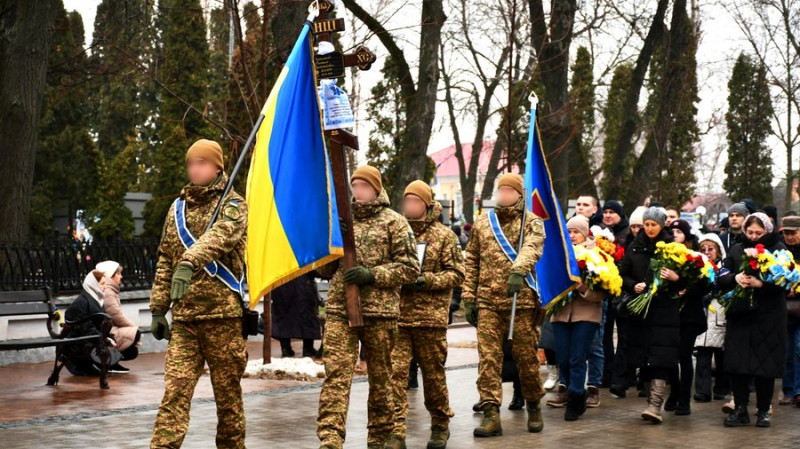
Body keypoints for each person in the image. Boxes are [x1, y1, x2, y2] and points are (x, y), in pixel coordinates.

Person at [149, 138, 249, 448]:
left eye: (202, 163)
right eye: (191, 163)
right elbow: (166, 257)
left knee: (228, 398)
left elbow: (222, 237)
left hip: (223, 317)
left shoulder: (233, 204)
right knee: (174, 393)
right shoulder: (177, 208)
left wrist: (190, 260)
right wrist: (157, 307)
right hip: (186, 319)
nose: (195, 168)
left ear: (218, 166)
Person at [316, 165, 419, 449]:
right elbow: (324, 272)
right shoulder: (339, 221)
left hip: (380, 311)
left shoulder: (394, 222)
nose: (357, 191)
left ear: (376, 188)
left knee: (382, 378)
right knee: (336, 375)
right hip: (340, 309)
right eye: (354, 185)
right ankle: (330, 439)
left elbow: (410, 268)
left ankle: (379, 436)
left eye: (363, 185)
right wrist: (333, 243)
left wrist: (372, 275)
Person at [463, 173, 546, 437]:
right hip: (488, 302)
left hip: (520, 303)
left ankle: (533, 405)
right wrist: (468, 297)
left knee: (525, 359)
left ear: (519, 195)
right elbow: (472, 260)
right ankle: (490, 414)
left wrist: (519, 270)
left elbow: (533, 247)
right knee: (488, 359)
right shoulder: (483, 223)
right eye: (501, 191)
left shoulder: (531, 222)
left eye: (509, 192)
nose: (504, 196)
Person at [386, 181, 464, 449]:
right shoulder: (397, 231)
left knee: (433, 375)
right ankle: (396, 430)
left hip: (430, 319)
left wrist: (427, 280)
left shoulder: (444, 236)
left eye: (415, 201)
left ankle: (440, 424)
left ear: (426, 205)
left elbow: (457, 273)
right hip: (398, 316)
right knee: (394, 375)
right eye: (406, 201)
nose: (409, 206)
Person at [718, 213, 787, 428]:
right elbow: (721, 273)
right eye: (750, 232)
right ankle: (740, 409)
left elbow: (786, 280)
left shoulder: (778, 251)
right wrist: (734, 278)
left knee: (764, 366)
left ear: (768, 231)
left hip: (768, 316)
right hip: (740, 315)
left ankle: (764, 410)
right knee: (738, 364)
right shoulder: (737, 249)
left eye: (759, 232)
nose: (754, 236)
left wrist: (762, 285)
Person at [620, 207, 683, 424]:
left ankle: (655, 405)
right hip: (640, 312)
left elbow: (686, 278)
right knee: (643, 358)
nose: (648, 229)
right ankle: (650, 402)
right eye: (646, 224)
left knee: (661, 359)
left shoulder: (673, 248)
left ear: (662, 225)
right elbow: (622, 273)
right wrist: (632, 285)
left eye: (653, 225)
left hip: (665, 312)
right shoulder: (634, 247)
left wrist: (676, 278)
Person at [551, 216, 604, 421]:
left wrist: (583, 287)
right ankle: (578, 393)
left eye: (577, 232)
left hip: (586, 314)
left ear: (585, 234)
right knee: (563, 358)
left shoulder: (596, 255)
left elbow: (603, 291)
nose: (572, 236)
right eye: (570, 232)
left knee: (577, 358)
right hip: (561, 314)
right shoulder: (560, 252)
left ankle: (574, 398)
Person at [663, 220, 707, 415]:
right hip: (670, 313)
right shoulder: (665, 255)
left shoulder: (696, 258)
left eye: (679, 231)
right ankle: (674, 391)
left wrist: (682, 285)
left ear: (687, 236)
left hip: (689, 315)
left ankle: (684, 399)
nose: (674, 234)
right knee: (670, 357)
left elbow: (705, 285)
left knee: (684, 356)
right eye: (672, 231)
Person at [63, 270, 122, 376]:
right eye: (102, 284)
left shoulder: (97, 299)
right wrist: (105, 338)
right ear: (93, 284)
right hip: (76, 343)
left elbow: (100, 323)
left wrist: (109, 336)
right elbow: (84, 327)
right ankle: (84, 365)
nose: (105, 287)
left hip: (89, 337)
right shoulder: (82, 301)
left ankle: (104, 364)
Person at [693, 234, 730, 403]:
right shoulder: (697, 267)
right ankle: (702, 390)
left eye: (711, 249)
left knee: (721, 354)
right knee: (703, 353)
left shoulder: (724, 268)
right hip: (703, 314)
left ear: (718, 250)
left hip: (719, 313)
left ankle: (722, 387)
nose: (707, 252)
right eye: (703, 250)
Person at [96, 260, 140, 373]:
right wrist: (134, 328)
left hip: (107, 328)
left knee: (134, 336)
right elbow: (116, 316)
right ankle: (110, 362)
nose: (121, 276)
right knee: (135, 334)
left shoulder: (111, 290)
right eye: (119, 274)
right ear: (111, 275)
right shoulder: (108, 292)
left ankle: (112, 361)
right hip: (104, 330)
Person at [271, 273, 322, 358]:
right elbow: (319, 270)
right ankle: (308, 348)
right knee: (306, 315)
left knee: (283, 315)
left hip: (280, 281)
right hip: (302, 282)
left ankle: (285, 349)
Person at [779, 215, 800, 406]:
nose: (790, 237)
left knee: (799, 348)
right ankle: (788, 390)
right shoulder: (781, 251)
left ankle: (798, 390)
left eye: (793, 233)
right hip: (785, 309)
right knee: (787, 351)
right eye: (786, 233)